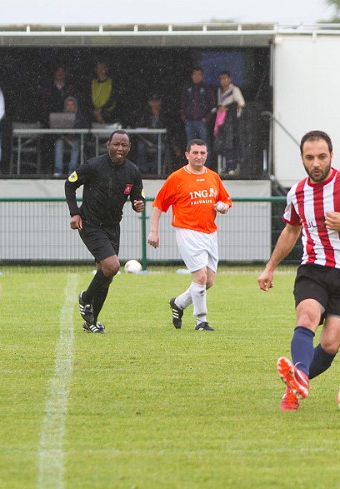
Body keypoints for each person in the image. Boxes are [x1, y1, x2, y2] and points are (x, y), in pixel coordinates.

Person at [257, 130, 340, 411]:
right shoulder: (297, 193)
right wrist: (270, 267)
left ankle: (296, 384)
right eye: (309, 158)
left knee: (330, 344)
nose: (316, 163)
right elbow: (291, 229)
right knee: (306, 316)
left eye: (321, 156)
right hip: (313, 269)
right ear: (302, 159)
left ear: (331, 155)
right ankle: (301, 378)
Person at [65, 130, 145, 333]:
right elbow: (69, 184)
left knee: (106, 277)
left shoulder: (133, 171)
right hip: (90, 224)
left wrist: (138, 204)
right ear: (108, 145)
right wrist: (74, 213)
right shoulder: (93, 166)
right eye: (116, 144)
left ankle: (91, 322)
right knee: (112, 266)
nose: (120, 148)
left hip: (112, 226)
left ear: (129, 148)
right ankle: (85, 297)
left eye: (124, 145)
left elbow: (137, 197)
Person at [147, 139, 231, 331]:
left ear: (207, 154)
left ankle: (179, 303)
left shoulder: (213, 177)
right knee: (200, 277)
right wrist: (154, 231)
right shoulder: (177, 178)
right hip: (188, 232)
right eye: (195, 152)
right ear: (187, 155)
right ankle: (201, 321)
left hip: (210, 233)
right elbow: (159, 205)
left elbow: (225, 200)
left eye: (202, 153)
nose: (199, 156)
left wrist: (224, 207)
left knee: (208, 281)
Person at [213, 71, 245, 174]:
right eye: (221, 79)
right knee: (224, 144)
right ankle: (227, 165)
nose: (223, 81)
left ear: (229, 79)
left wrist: (229, 109)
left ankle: (232, 167)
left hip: (232, 122)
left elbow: (241, 104)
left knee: (231, 144)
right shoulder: (220, 92)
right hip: (223, 122)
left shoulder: (234, 90)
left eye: (225, 78)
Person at [53, 96, 89, 177]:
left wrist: (74, 135)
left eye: (72, 104)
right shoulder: (60, 116)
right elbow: (56, 130)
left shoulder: (80, 116)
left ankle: (72, 170)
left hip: (76, 140)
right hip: (63, 139)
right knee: (58, 143)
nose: (70, 107)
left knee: (76, 144)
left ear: (75, 106)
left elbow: (83, 129)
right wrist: (65, 136)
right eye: (68, 105)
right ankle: (58, 170)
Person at [179, 67, 214, 147]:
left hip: (202, 121)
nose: (197, 77)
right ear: (192, 76)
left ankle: (206, 160)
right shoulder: (187, 88)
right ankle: (191, 160)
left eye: (199, 75)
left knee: (204, 144)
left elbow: (212, 105)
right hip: (189, 121)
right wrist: (184, 117)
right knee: (190, 144)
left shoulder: (206, 88)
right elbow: (182, 103)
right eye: (195, 74)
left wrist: (207, 118)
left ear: (202, 76)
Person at [134, 93, 166, 174]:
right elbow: (140, 127)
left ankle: (155, 170)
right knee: (140, 146)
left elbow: (167, 128)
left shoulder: (164, 114)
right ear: (149, 103)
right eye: (152, 101)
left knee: (161, 148)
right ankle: (143, 170)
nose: (154, 104)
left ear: (160, 102)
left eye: (156, 101)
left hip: (159, 140)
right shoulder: (145, 113)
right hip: (146, 140)